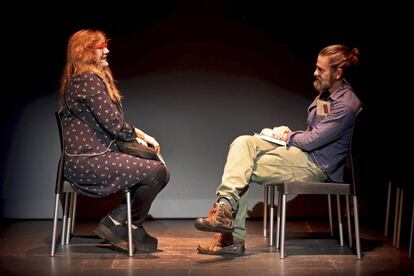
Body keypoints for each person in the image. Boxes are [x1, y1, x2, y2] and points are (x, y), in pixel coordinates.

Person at [194, 44, 362, 256]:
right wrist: (288, 133)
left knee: (242, 167)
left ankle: (231, 237)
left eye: (321, 69)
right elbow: (315, 133)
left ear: (338, 72)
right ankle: (225, 209)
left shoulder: (346, 105)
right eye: (316, 67)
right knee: (242, 143)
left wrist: (286, 136)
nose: (315, 72)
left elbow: (313, 141)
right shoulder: (327, 95)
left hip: (317, 166)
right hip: (303, 154)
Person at [59, 29, 170, 253]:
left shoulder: (86, 79)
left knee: (157, 167)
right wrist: (143, 137)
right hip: (89, 162)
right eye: (100, 47)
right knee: (156, 171)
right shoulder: (86, 80)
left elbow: (113, 122)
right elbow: (114, 124)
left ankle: (121, 224)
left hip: (98, 155)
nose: (106, 50)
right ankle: (123, 224)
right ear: (86, 52)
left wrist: (140, 139)